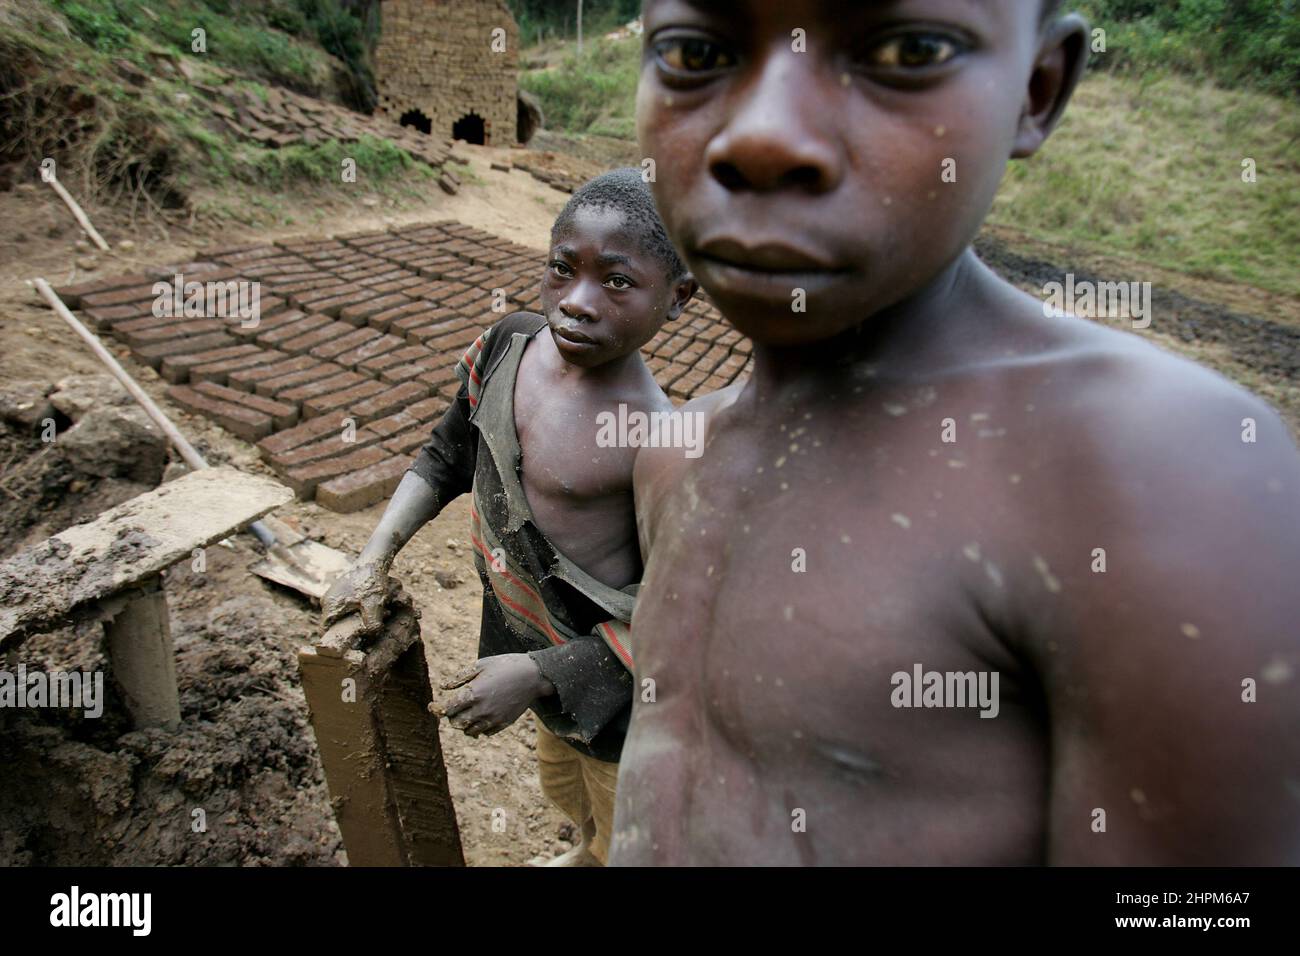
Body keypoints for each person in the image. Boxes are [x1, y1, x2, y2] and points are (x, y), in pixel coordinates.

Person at [611, 0, 1300, 864]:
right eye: (694, 51)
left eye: (908, 50)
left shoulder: (1151, 475)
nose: (764, 136)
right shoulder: (677, 449)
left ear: (1037, 90)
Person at [323, 168, 696, 866]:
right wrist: (373, 557)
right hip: (529, 645)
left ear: (678, 299)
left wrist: (538, 674)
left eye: (617, 282)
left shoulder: (660, 444)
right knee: (564, 784)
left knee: (631, 829)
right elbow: (444, 456)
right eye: (562, 269)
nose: (578, 303)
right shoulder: (506, 348)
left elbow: (679, 619)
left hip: (618, 698)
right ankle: (584, 848)